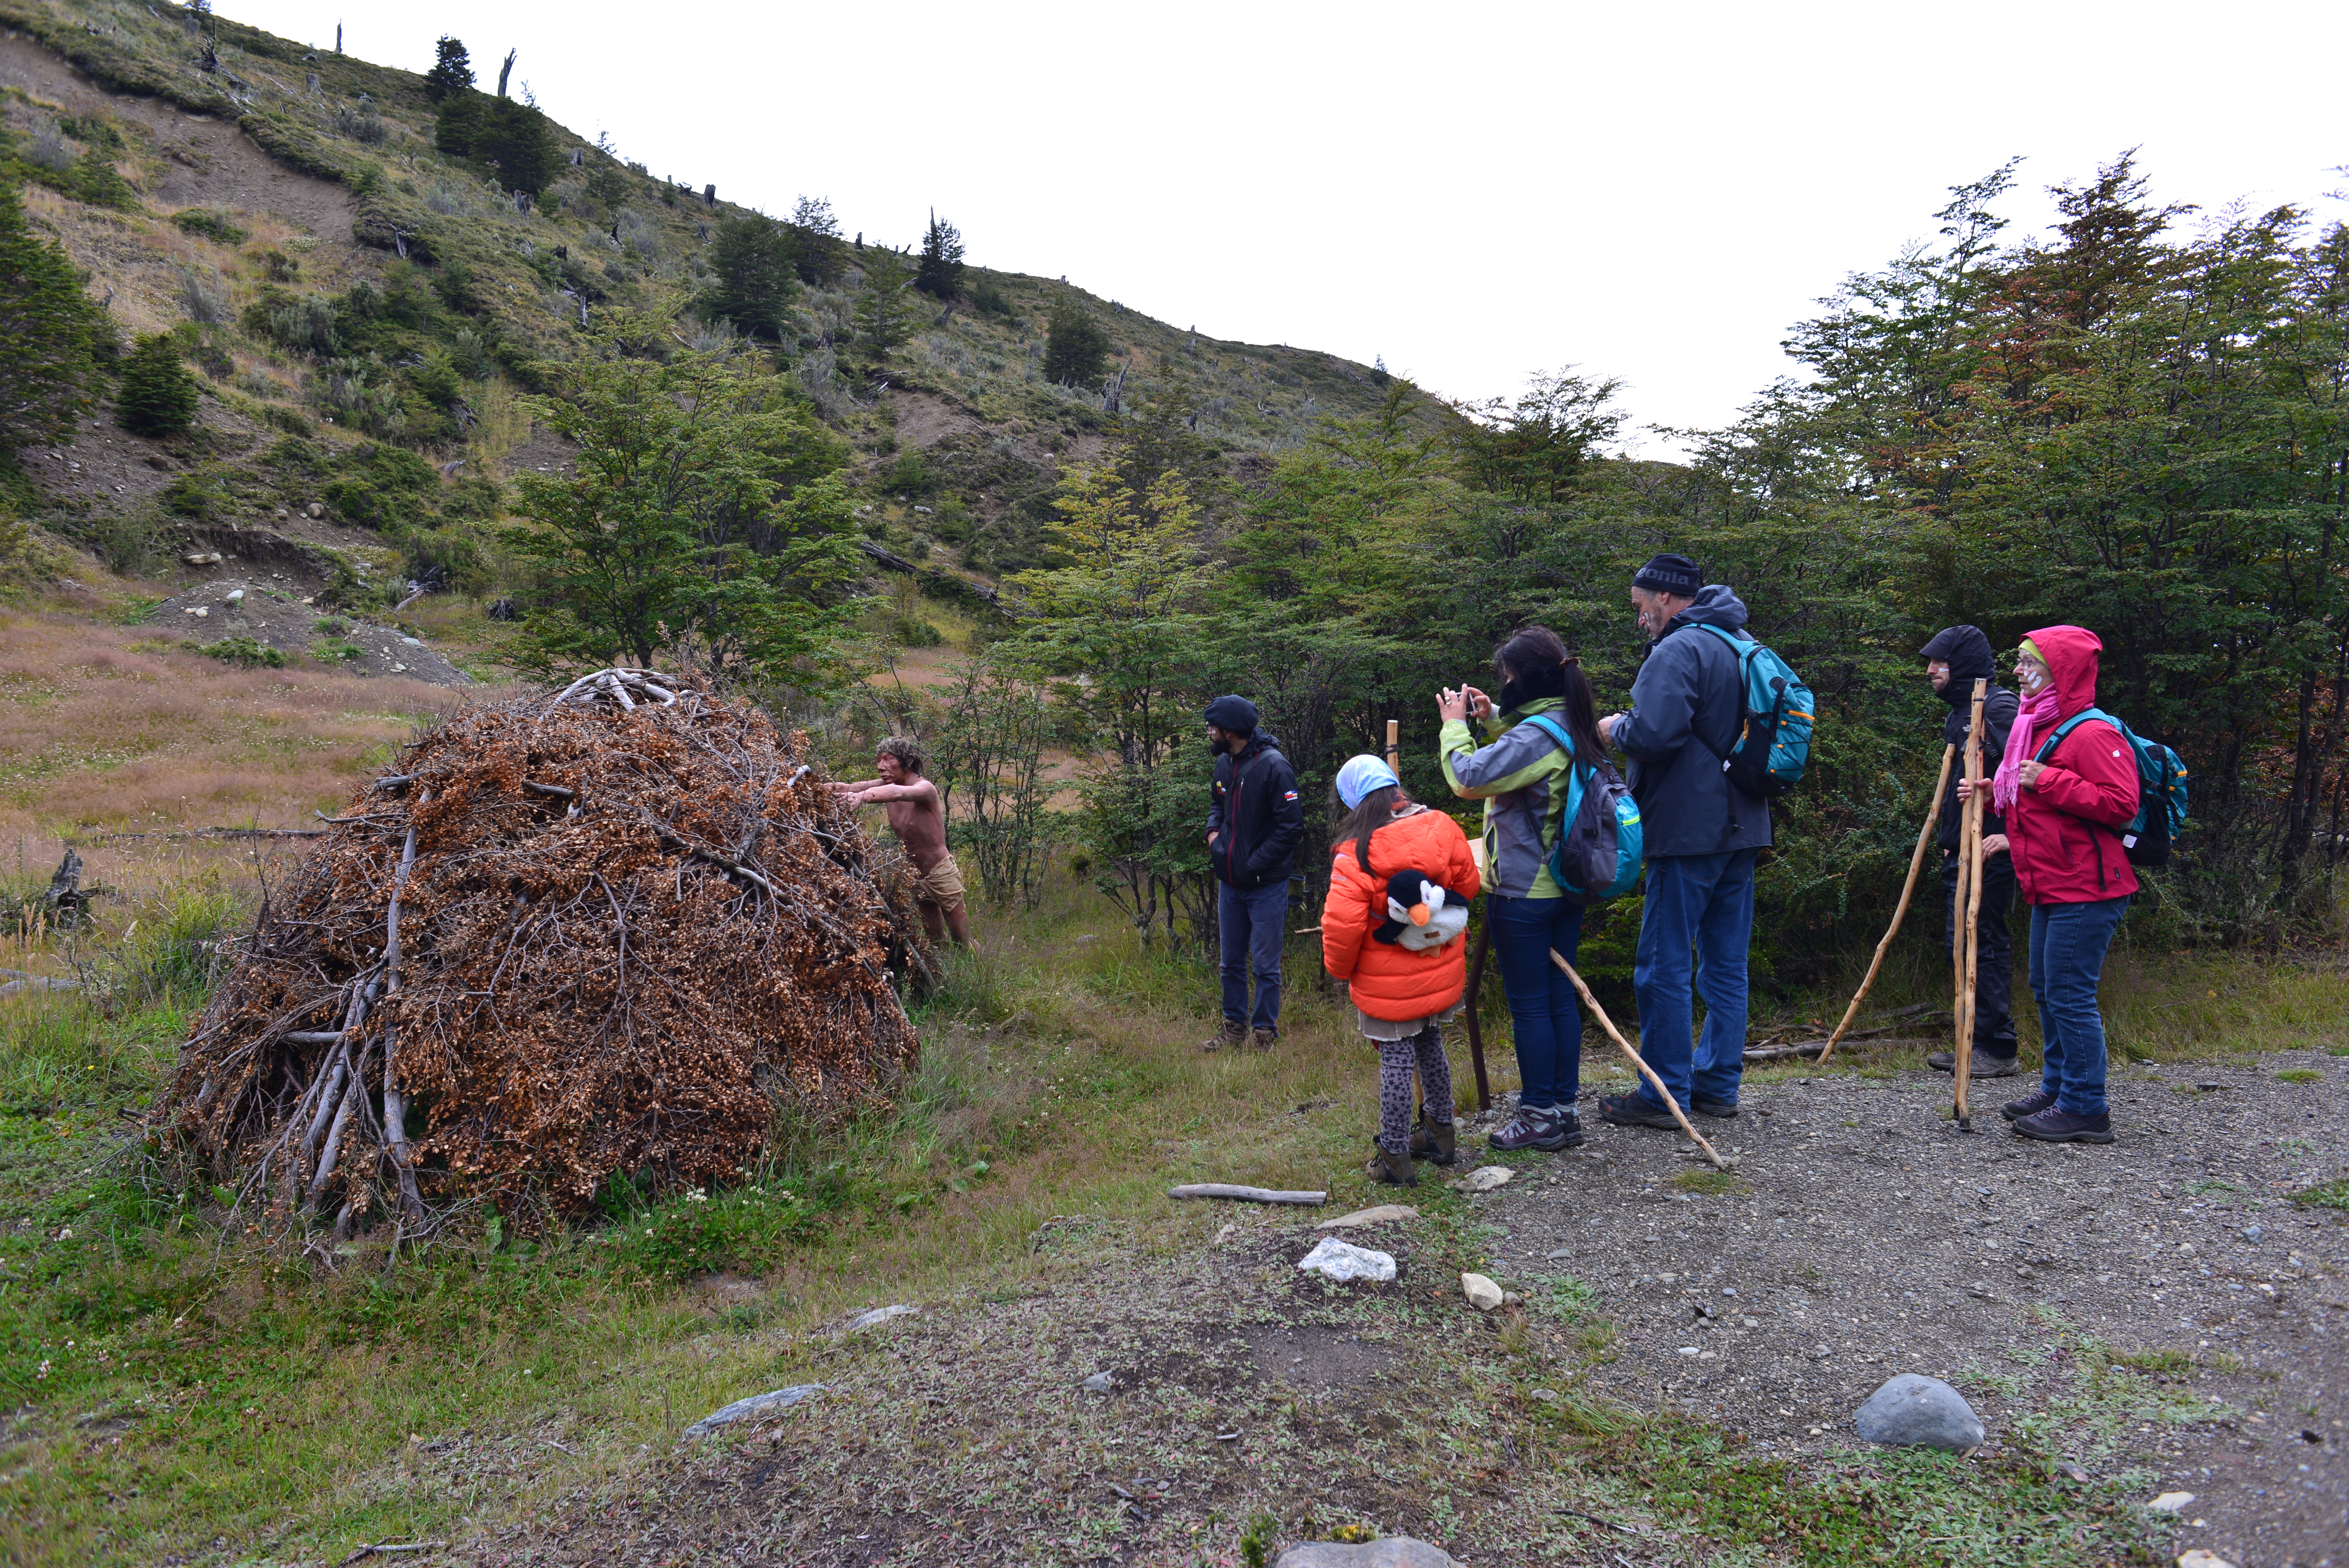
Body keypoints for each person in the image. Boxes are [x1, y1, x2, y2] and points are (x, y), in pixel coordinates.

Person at [1594, 554, 1770, 1130]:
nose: (1639, 614)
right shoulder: (1741, 642)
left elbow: (1655, 733)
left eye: (1640, 602)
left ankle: (1665, 1092)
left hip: (1688, 831)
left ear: (1665, 598)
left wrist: (1615, 727)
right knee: (1725, 963)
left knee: (1663, 965)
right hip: (1742, 824)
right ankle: (1718, 1084)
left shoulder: (1678, 650)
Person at [1437, 625, 1604, 1151]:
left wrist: (1455, 727)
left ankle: (1538, 1116)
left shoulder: (1535, 735)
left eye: (1507, 677)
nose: (1503, 684)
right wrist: (1492, 720)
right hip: (1568, 887)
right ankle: (1563, 1109)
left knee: (1531, 1005)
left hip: (1525, 892)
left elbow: (1468, 779)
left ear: (1524, 679)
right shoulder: (1569, 723)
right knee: (1558, 1000)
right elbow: (1520, 766)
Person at [1969, 627, 2138, 1144]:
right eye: (2018, 662)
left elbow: (2121, 804)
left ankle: (2087, 1107)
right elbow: (2036, 805)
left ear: (2058, 671)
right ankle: (2059, 1088)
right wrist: (1994, 792)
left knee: (2070, 994)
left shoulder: (2092, 733)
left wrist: (2046, 780)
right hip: (2051, 882)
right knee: (2048, 991)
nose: (2017, 671)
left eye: (2027, 663)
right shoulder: (2037, 726)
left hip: (2089, 887)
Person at [1320, 754, 1481, 1185]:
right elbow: (1466, 887)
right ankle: (1440, 1134)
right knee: (1431, 1045)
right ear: (1396, 788)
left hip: (1387, 981)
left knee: (1395, 1060)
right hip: (1438, 965)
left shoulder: (1354, 852)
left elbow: (1342, 926)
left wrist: (1340, 970)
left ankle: (1393, 1154)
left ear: (1351, 799)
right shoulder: (1442, 825)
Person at [1919, 625, 2021, 1078]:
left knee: (1984, 940)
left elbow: (2016, 780)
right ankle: (1973, 1041)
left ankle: (1997, 1048)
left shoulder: (1997, 707)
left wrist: (2001, 839)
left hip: (1989, 851)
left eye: (1938, 662)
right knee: (1960, 942)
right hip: (1961, 851)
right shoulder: (1963, 710)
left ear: (1959, 664)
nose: (1930, 670)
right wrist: (1948, 845)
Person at [1201, 695, 1303, 1051]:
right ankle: (1234, 1030)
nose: (1209, 732)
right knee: (1230, 963)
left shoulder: (1276, 767)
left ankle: (1264, 1034)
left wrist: (1254, 863)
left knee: (1265, 965)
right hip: (1229, 884)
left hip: (1266, 887)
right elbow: (1218, 803)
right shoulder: (1225, 764)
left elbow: (1291, 828)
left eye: (1212, 727)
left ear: (1230, 731)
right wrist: (1214, 835)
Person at [824, 736, 971, 949]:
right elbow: (850, 787)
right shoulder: (887, 784)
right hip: (913, 874)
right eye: (879, 760)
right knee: (937, 942)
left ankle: (983, 971)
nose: (881, 766)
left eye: (888, 759)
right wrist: (827, 788)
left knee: (962, 941)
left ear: (908, 761)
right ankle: (950, 980)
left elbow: (897, 794)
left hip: (940, 871)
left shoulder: (924, 788)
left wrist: (862, 798)